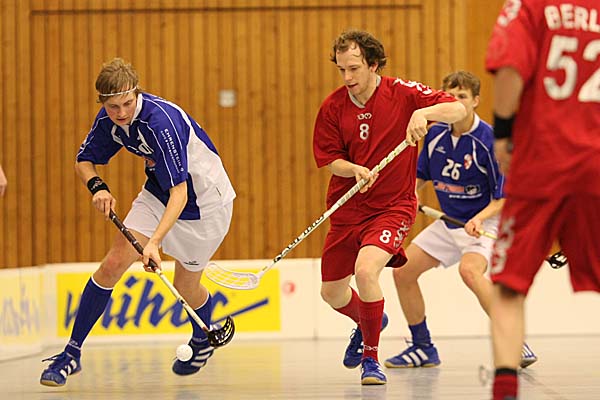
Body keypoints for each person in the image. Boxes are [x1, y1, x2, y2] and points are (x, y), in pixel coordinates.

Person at [39, 58, 236, 387]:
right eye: (113, 106)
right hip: (158, 193)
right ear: (103, 103)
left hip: (205, 206)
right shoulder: (109, 119)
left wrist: (154, 243)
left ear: (137, 94)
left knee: (186, 287)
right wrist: (98, 187)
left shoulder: (160, 122)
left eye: (127, 104)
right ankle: (71, 354)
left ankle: (202, 339)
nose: (121, 113)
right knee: (113, 263)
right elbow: (83, 161)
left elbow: (180, 193)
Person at [312, 29, 466, 385]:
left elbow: (457, 109)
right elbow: (331, 160)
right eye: (341, 70)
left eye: (354, 68)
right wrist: (353, 169)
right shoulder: (333, 107)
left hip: (392, 206)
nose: (347, 77)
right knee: (331, 293)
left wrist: (424, 113)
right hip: (348, 207)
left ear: (373, 64)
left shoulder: (404, 93)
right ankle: (371, 319)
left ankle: (370, 359)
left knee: (366, 272)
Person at [485, 1, 600, 399]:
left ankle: (504, 388)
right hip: (596, 163)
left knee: (508, 286)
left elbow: (510, 70)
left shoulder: (529, 7)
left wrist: (503, 132)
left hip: (541, 163)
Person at [384, 71, 537, 370]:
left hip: (484, 222)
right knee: (402, 272)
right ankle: (422, 348)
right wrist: (406, 197)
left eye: (462, 96)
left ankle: (514, 340)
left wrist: (478, 219)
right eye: (450, 96)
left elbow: (503, 198)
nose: (456, 102)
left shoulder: (490, 141)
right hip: (448, 223)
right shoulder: (435, 135)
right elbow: (420, 178)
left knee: (470, 272)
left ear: (475, 101)